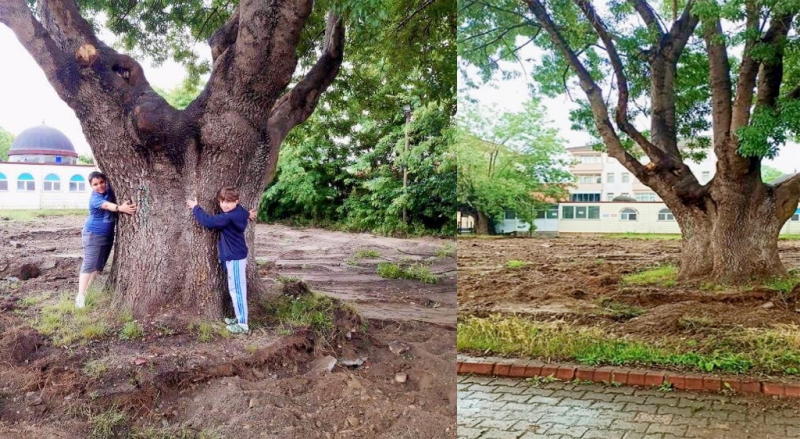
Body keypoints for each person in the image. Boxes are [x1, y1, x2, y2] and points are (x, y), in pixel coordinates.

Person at [186, 187, 252, 334]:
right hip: (236, 255)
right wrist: (249, 214)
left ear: (237, 201)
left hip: (235, 257)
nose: (225, 205)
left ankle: (243, 324)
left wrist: (196, 208)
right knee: (235, 288)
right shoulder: (240, 212)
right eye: (222, 201)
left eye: (229, 202)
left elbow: (208, 221)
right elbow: (244, 212)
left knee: (238, 290)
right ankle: (239, 317)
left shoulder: (227, 217)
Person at [76, 171, 136, 308]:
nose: (100, 186)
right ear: (91, 186)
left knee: (98, 266)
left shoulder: (109, 190)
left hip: (108, 236)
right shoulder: (95, 198)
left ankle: (87, 292)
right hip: (93, 234)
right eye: (95, 184)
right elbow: (107, 206)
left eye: (101, 182)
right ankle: (80, 296)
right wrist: (121, 208)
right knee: (89, 264)